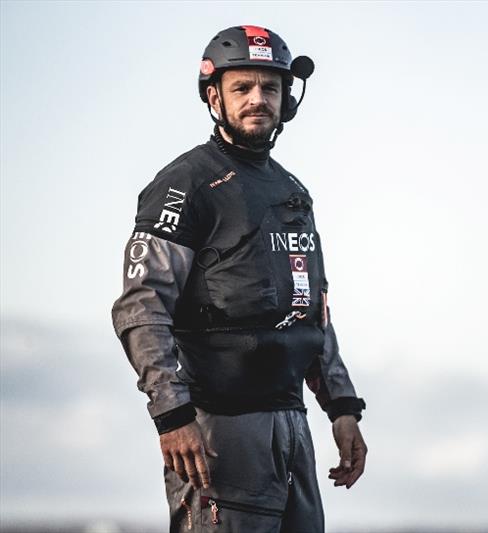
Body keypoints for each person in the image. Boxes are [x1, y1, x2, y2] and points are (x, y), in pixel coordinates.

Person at [111, 25, 367, 532]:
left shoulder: (293, 191)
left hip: (292, 430)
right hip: (216, 431)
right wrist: (172, 414)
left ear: (287, 100)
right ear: (214, 97)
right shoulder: (183, 183)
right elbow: (141, 306)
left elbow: (311, 309)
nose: (258, 100)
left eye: (270, 88)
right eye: (242, 88)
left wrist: (341, 405)